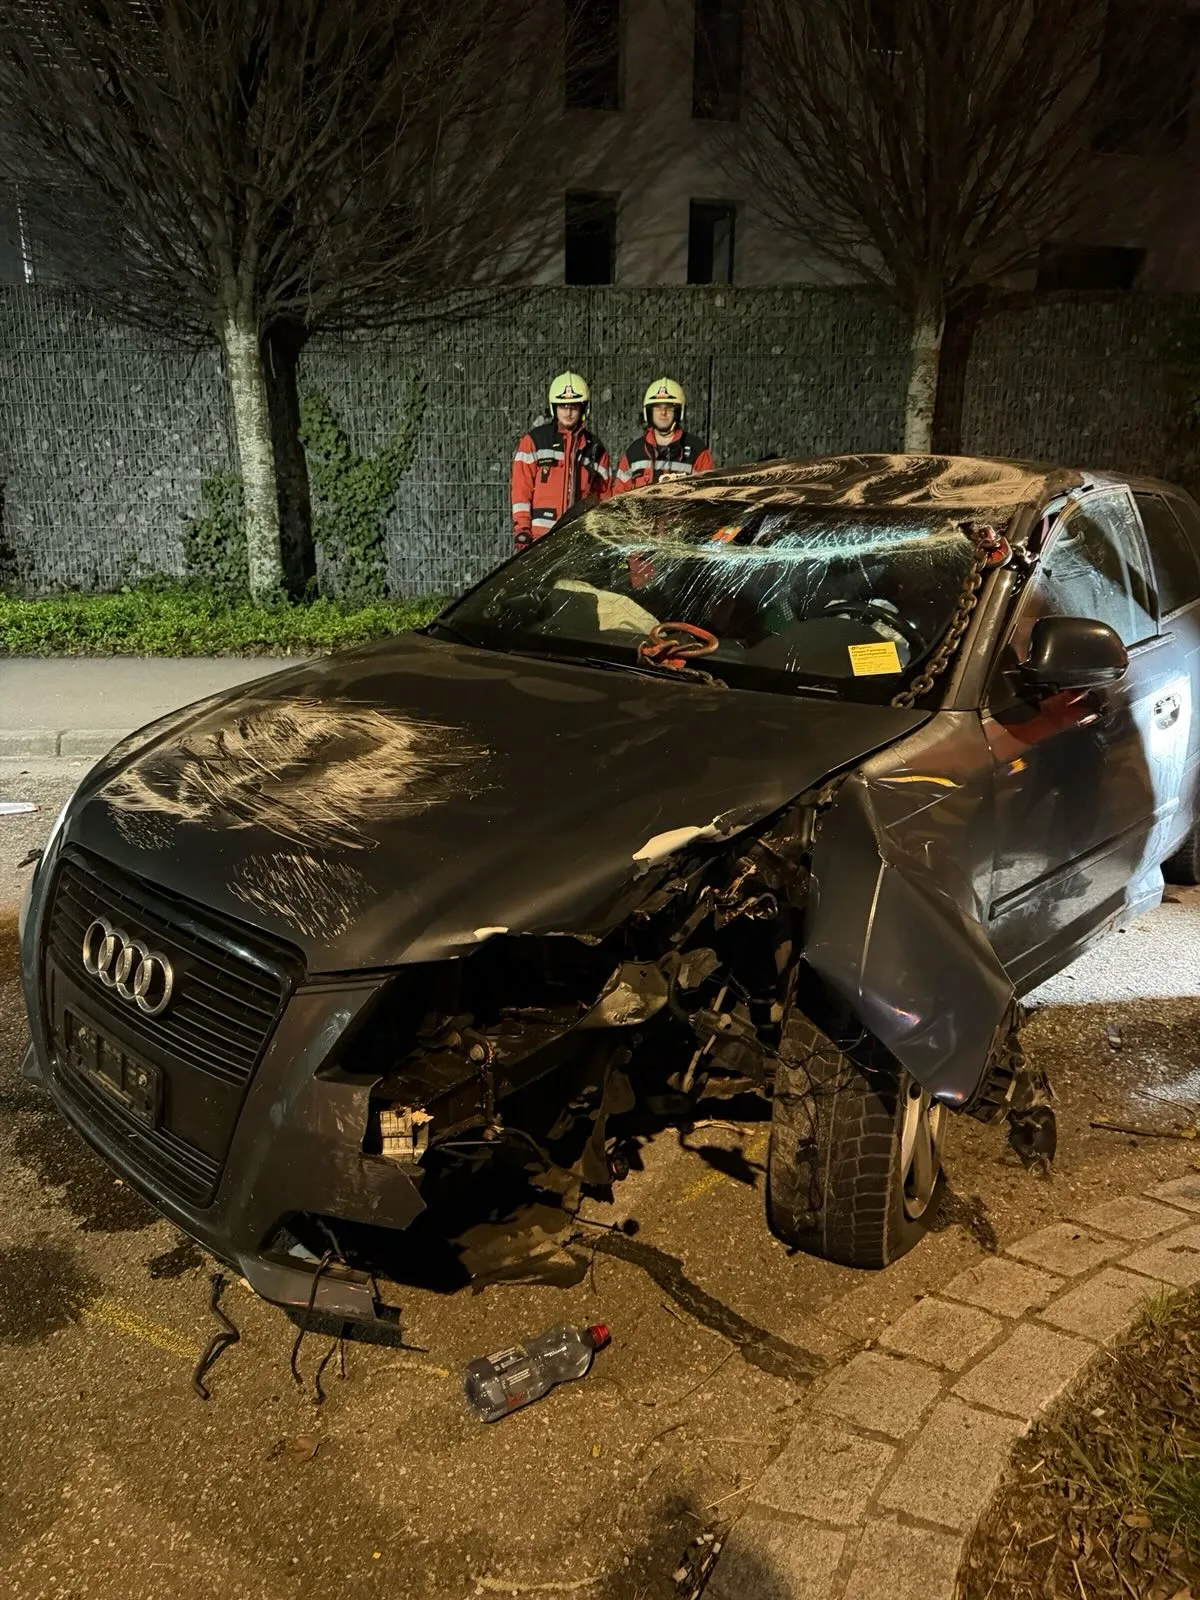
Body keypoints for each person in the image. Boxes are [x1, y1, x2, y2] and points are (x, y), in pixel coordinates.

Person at [510, 372, 611, 550]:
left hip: (580, 539)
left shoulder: (594, 448)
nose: (568, 411)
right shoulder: (535, 442)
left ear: (583, 408)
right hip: (540, 539)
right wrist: (522, 528)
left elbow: (604, 497)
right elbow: (521, 490)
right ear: (554, 408)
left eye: (573, 406)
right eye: (563, 406)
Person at [613, 378, 715, 495]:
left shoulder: (697, 452)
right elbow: (618, 497)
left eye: (669, 407)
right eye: (657, 407)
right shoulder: (634, 453)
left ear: (678, 412)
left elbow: (708, 496)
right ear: (648, 412)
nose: (663, 412)